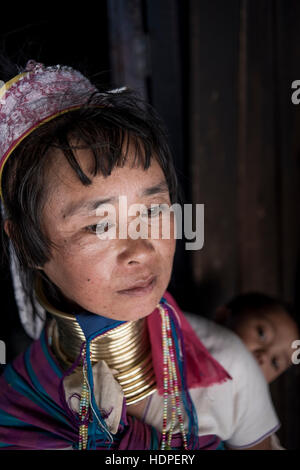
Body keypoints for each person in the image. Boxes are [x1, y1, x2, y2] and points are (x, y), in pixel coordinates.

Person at [0, 59, 279, 450]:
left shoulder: (228, 370)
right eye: (99, 225)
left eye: (153, 211)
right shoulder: (17, 403)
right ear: (28, 243)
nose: (141, 250)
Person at [185, 292, 300, 450]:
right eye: (262, 334)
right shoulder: (176, 343)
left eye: (275, 362)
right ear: (223, 316)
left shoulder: (259, 423)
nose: (264, 356)